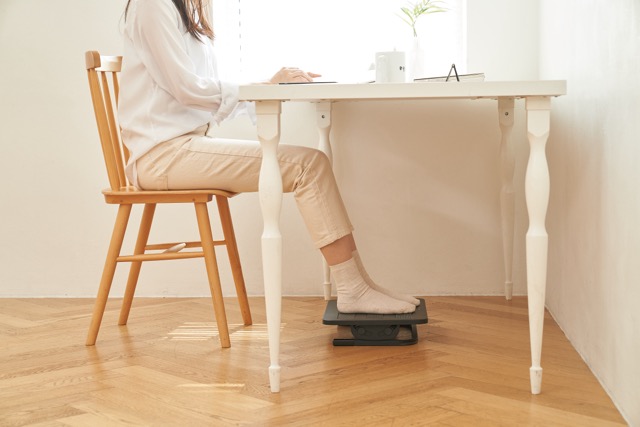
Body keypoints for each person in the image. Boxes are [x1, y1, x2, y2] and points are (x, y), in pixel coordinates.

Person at [118, 0, 418, 314]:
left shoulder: (184, 7)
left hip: (182, 146)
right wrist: (265, 86)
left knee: (312, 163)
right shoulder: (152, 4)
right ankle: (353, 289)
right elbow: (187, 89)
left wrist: (267, 86)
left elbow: (200, 89)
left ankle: (361, 284)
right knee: (309, 166)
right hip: (162, 156)